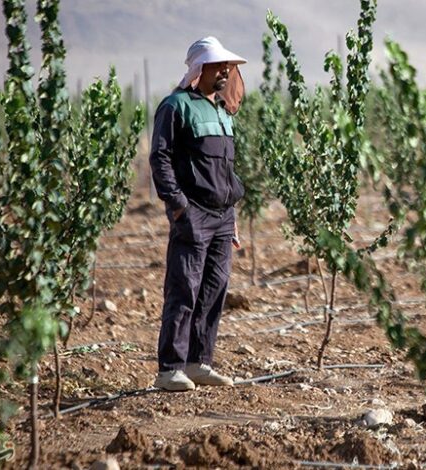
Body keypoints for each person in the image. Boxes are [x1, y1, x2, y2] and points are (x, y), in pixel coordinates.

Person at [149, 36, 247, 391]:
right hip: (194, 213)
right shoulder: (176, 106)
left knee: (214, 289)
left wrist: (232, 213)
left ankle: (198, 362)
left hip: (222, 216)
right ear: (199, 68)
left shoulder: (221, 111)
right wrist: (177, 205)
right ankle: (169, 368)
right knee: (184, 288)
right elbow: (160, 158)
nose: (225, 71)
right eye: (218, 65)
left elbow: (224, 168)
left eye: (227, 66)